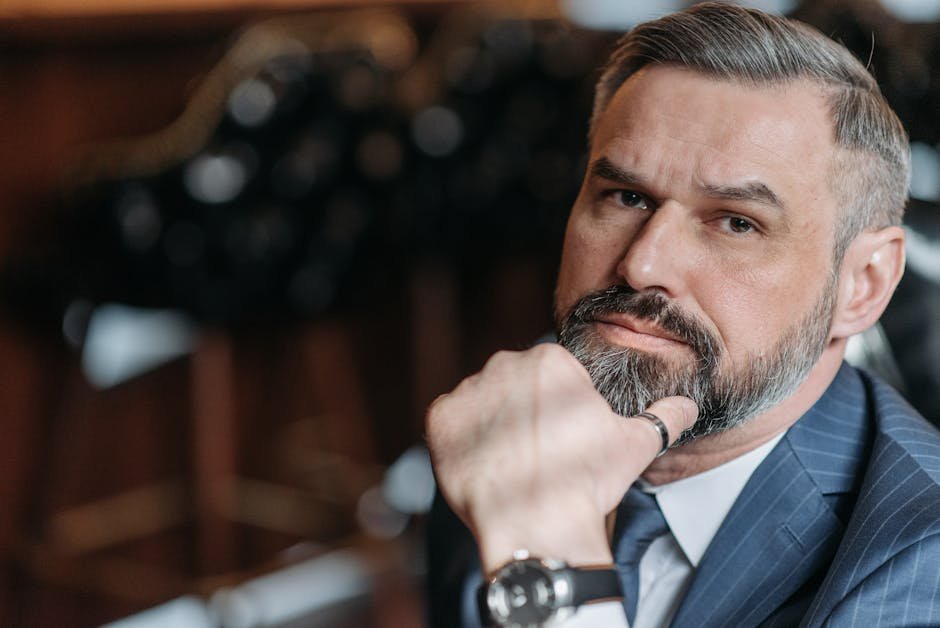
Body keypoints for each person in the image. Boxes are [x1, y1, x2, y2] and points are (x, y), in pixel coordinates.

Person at [424, 3, 940, 627]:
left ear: (863, 285)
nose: (642, 266)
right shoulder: (513, 416)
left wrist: (547, 554)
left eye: (736, 222)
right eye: (626, 196)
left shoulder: (920, 555)